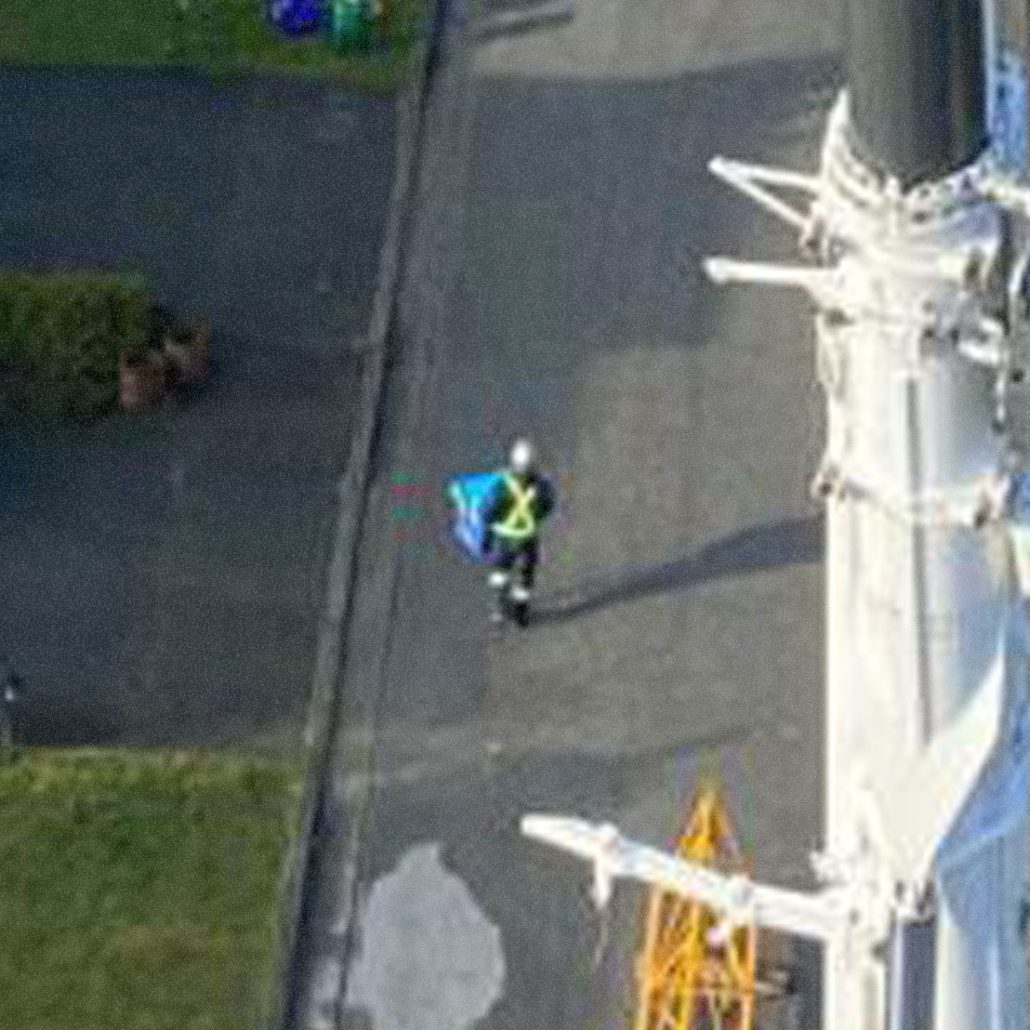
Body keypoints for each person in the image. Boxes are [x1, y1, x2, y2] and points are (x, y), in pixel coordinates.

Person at [483, 438, 556, 626]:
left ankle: (499, 609)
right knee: (526, 575)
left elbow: (489, 510)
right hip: (527, 538)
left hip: (505, 538)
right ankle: (521, 613)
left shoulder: (503, 483)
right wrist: (534, 518)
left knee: (500, 571)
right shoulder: (541, 485)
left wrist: (487, 536)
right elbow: (548, 505)